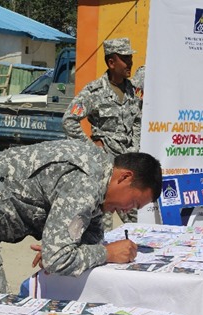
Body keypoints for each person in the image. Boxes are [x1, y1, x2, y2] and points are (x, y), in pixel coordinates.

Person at [0, 139, 162, 315]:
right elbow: (58, 258)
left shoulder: (100, 172)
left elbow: (83, 239)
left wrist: (65, 248)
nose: (127, 210)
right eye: (133, 202)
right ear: (125, 177)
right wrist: (105, 253)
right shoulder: (87, 182)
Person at [62, 38, 143, 229]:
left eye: (130, 58)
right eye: (125, 59)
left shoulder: (131, 91)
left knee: (136, 222)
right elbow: (69, 121)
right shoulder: (94, 91)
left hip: (127, 167)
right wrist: (91, 150)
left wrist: (135, 147)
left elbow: (138, 120)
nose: (130, 63)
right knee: (102, 226)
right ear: (111, 62)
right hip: (104, 168)